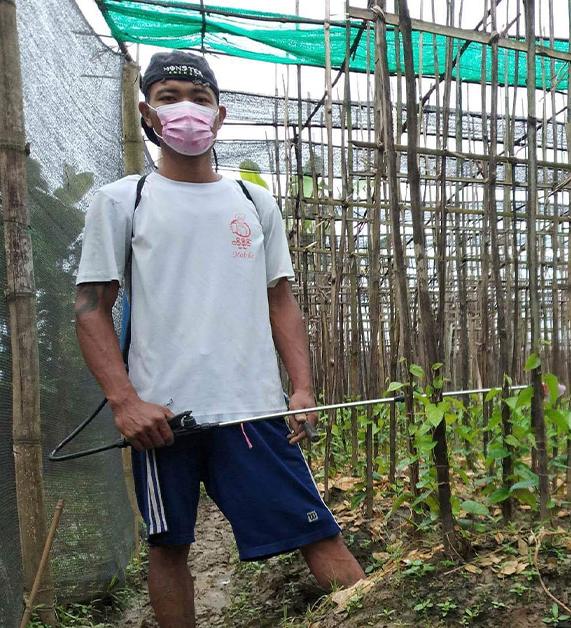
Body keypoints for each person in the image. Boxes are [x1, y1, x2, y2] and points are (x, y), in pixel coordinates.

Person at [73, 51, 363, 628]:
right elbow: (90, 309)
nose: (186, 110)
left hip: (253, 407)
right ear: (146, 113)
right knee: (168, 543)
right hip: (164, 417)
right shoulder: (122, 201)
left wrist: (301, 388)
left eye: (199, 98)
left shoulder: (253, 201)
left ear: (220, 115)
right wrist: (126, 402)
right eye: (169, 97)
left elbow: (280, 299)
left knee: (317, 532)